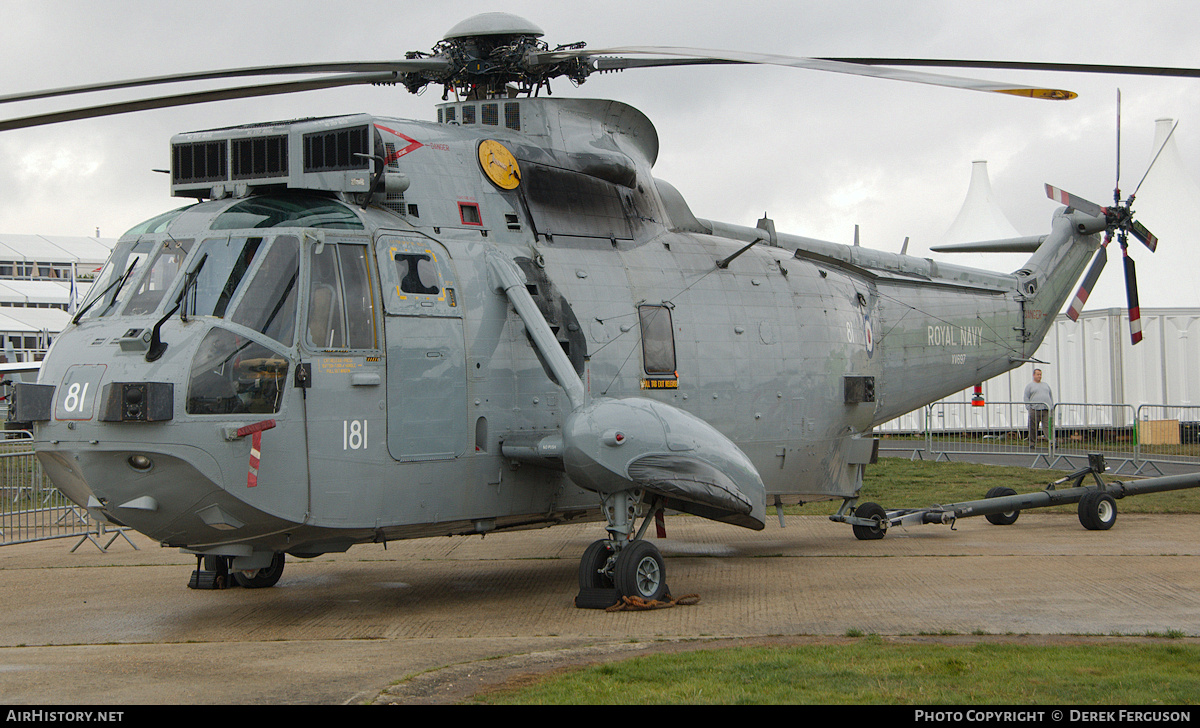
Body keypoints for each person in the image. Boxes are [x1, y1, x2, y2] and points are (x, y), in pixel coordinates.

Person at [1024, 368, 1054, 448]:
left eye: (1040, 374)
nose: (1039, 376)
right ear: (1034, 375)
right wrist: (1028, 407)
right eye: (1038, 374)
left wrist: (1051, 406)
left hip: (1046, 409)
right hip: (1034, 409)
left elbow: (1050, 396)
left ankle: (1051, 442)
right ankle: (1032, 443)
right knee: (1033, 427)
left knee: (1048, 426)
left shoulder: (1045, 385)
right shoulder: (1030, 386)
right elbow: (1026, 397)